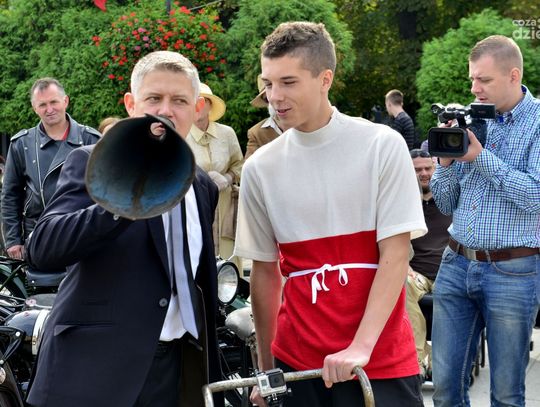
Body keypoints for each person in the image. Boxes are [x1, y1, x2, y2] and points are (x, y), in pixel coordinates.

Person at [234, 21, 427, 407]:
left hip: (381, 359)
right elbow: (265, 272)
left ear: (325, 79)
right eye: (268, 83)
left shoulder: (381, 145)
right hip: (297, 362)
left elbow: (395, 254)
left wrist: (362, 346)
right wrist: (268, 370)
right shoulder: (260, 167)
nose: (274, 96)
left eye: (288, 82)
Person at [25, 51, 223, 407]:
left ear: (197, 109)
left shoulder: (203, 186)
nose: (165, 110)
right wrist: (120, 201)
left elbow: (198, 284)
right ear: (132, 105)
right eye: (154, 99)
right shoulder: (90, 161)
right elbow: (43, 248)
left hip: (176, 373)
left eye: (179, 100)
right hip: (94, 373)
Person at [430, 35, 540, 406]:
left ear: (513, 76)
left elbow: (534, 196)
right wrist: (446, 162)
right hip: (455, 263)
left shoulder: (538, 122)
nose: (475, 89)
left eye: (484, 80)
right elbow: (445, 202)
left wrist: (479, 157)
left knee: (506, 394)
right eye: (473, 79)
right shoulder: (471, 118)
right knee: (444, 390)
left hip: (514, 270)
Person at [1, 78, 100, 261]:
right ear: (34, 108)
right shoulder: (22, 144)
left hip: (83, 235)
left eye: (54, 102)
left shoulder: (91, 140)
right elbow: (10, 195)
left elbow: (105, 193)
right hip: (38, 238)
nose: (49, 109)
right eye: (42, 104)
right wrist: (12, 241)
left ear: (65, 101)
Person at [406, 149, 451, 380]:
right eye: (417, 170)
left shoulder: (450, 200)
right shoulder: (403, 205)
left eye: (427, 168)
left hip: (450, 272)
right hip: (417, 274)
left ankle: (437, 358)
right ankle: (417, 359)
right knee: (401, 285)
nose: (424, 173)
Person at [186, 83, 243, 270]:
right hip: (195, 205)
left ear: (210, 106)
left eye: (203, 101)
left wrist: (227, 178)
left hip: (225, 206)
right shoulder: (181, 135)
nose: (198, 106)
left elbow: (239, 164)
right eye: (192, 102)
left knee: (228, 257)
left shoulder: (227, 133)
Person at [244, 75, 290, 160]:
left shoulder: (306, 123)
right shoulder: (256, 133)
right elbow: (249, 165)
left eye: (278, 94)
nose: (274, 100)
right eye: (267, 99)